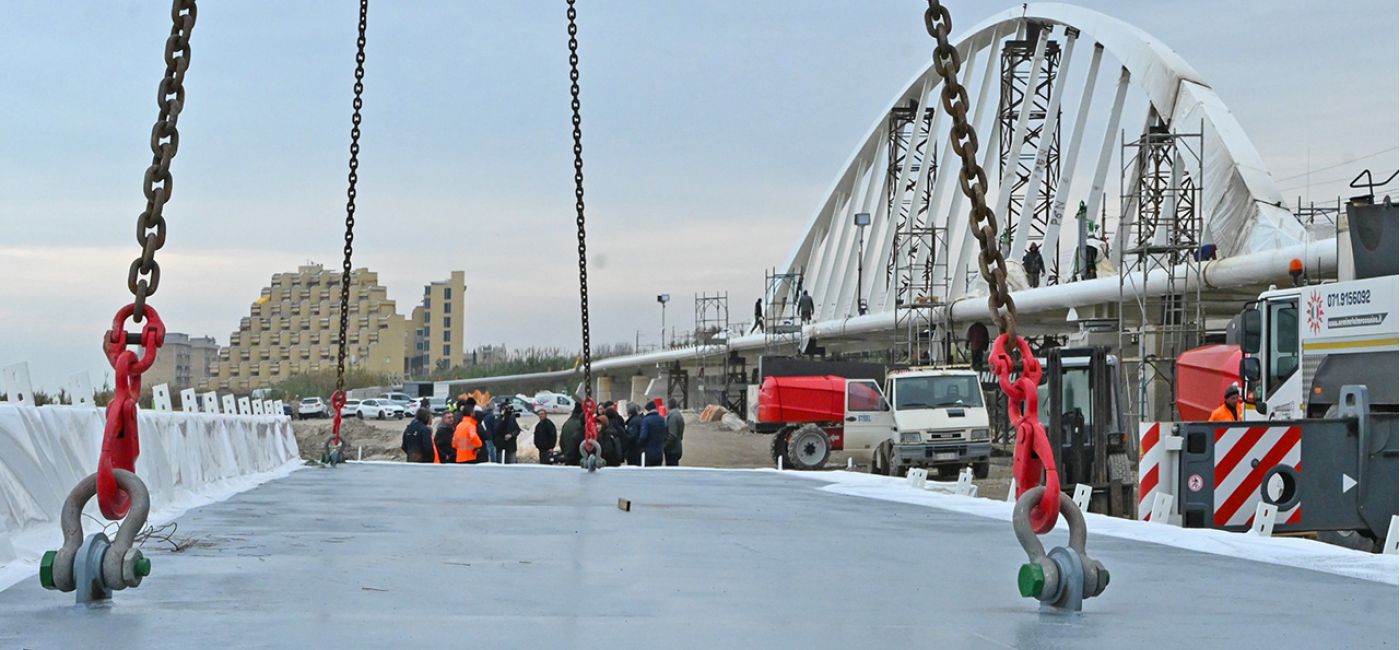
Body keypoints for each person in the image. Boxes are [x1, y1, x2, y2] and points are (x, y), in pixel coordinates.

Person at [638, 401, 667, 467]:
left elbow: (643, 437)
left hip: (648, 452)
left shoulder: (646, 420)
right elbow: (665, 434)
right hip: (659, 452)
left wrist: (640, 445)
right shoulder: (662, 419)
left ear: (647, 410)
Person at [561, 401, 585, 466]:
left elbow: (561, 442)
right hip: (578, 459)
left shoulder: (566, 424)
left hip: (568, 457)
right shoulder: (581, 425)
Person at [664, 398, 685, 466]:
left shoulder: (672, 416)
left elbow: (672, 435)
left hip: (672, 450)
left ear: (668, 405)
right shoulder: (678, 415)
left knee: (671, 470)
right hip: (677, 447)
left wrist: (665, 446)